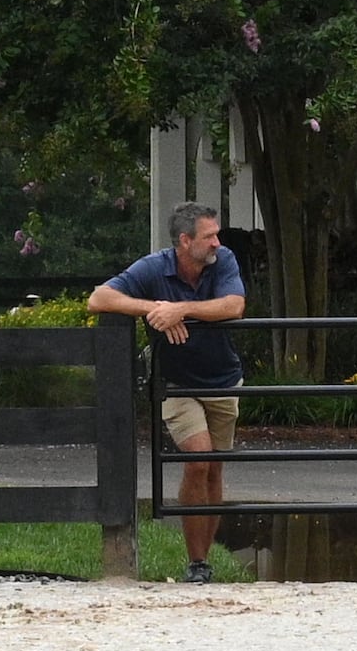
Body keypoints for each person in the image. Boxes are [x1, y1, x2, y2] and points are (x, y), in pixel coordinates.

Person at [91, 204, 249, 584]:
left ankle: (204, 561)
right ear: (184, 241)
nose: (217, 241)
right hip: (177, 384)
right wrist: (156, 310)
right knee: (199, 459)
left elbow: (235, 305)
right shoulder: (153, 267)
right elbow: (99, 298)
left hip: (223, 380)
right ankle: (196, 562)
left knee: (214, 467)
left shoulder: (222, 260)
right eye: (208, 235)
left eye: (216, 234)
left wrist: (182, 310)